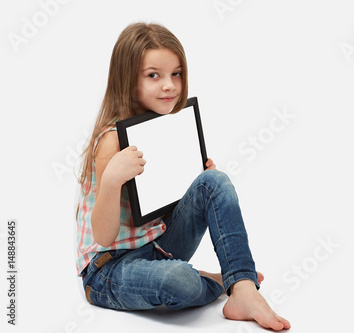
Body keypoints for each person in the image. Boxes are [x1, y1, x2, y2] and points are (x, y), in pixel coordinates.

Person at [75, 22, 290, 331]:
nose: (170, 86)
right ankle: (214, 281)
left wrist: (198, 184)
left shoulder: (164, 125)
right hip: (109, 270)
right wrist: (111, 181)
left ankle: (242, 288)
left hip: (157, 245)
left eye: (176, 73)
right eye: (154, 75)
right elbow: (104, 236)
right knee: (180, 280)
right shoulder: (111, 142)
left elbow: (158, 204)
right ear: (127, 79)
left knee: (216, 181)